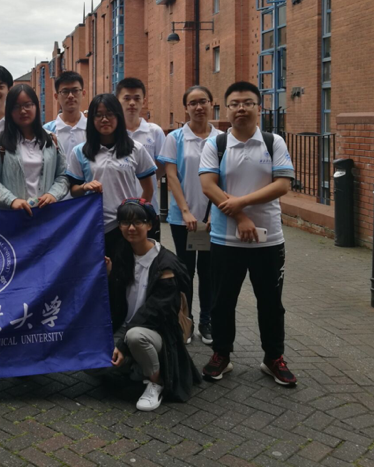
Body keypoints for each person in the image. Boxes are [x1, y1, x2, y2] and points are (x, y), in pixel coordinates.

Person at [198, 81, 296, 386]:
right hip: (225, 239)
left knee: (271, 302)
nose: (241, 108)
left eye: (248, 103)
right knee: (222, 301)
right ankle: (221, 355)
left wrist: (241, 202)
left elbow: (283, 184)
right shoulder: (216, 144)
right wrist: (240, 217)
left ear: (259, 107)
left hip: (269, 240)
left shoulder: (273, 142)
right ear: (226, 109)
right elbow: (208, 186)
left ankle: (273, 358)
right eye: (235, 103)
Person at [108, 200, 200, 411]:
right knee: (93, 366)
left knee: (135, 337)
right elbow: (117, 303)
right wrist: (110, 276)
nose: (131, 228)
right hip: (125, 325)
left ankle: (156, 381)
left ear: (150, 225)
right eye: (125, 222)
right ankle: (136, 366)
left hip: (156, 331)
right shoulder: (122, 253)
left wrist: (122, 344)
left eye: (138, 222)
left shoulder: (165, 263)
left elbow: (156, 311)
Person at [158, 86, 219, 345]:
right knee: (185, 272)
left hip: (213, 219)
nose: (198, 107)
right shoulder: (175, 138)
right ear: (186, 108)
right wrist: (185, 211)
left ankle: (207, 321)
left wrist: (216, 212)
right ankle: (186, 321)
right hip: (182, 219)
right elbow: (171, 176)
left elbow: (225, 178)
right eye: (193, 103)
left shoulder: (221, 138)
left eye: (203, 101)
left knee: (209, 272)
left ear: (211, 103)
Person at [67, 93, 157, 272]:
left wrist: (136, 216)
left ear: (118, 116)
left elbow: (148, 188)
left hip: (125, 227)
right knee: (98, 276)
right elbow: (72, 190)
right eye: (98, 115)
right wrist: (85, 186)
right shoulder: (80, 152)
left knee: (125, 276)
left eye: (110, 114)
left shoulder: (135, 149)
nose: (104, 119)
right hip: (93, 226)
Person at [0, 85, 69, 213]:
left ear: (36, 106)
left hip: (45, 215)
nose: (22, 111)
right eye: (16, 106)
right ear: (9, 111)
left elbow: (63, 176)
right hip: (11, 216)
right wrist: (11, 200)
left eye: (28, 105)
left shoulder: (52, 140)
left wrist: (53, 194)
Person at [116, 78, 166, 214]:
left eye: (137, 98)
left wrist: (148, 178)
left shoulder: (154, 131)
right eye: (127, 98)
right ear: (117, 101)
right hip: (119, 207)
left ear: (144, 101)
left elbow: (162, 164)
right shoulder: (113, 133)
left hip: (148, 206)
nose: (132, 103)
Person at [42, 71, 87, 161]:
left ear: (83, 93)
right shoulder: (47, 131)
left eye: (75, 90)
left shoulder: (93, 128)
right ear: (56, 96)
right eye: (65, 91)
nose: (70, 96)